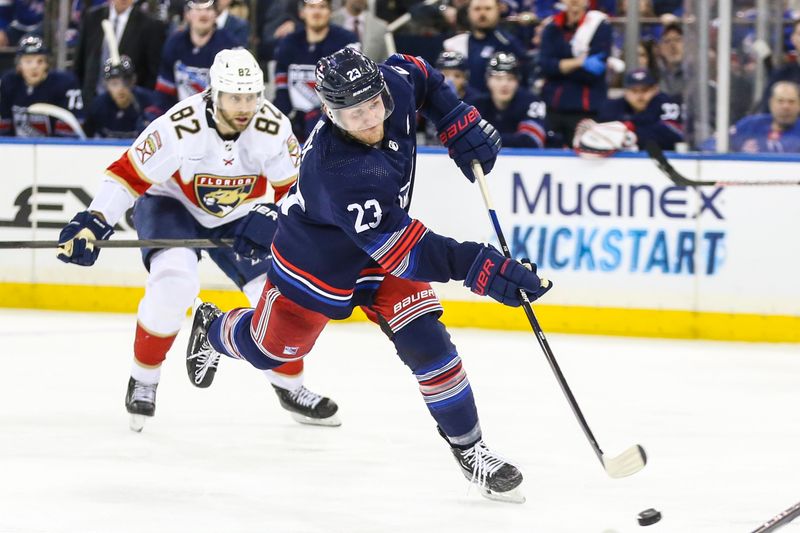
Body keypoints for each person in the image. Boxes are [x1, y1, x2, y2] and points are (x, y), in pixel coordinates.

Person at [184, 47, 552, 501]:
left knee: (428, 343)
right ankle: (215, 328)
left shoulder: (391, 85)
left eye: (374, 105)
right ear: (330, 112)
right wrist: (480, 267)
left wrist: (454, 116)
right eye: (355, 114)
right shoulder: (339, 170)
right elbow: (409, 253)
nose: (371, 120)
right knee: (270, 351)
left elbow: (419, 71)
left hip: (382, 252)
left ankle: (471, 450)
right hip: (316, 264)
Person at [56, 49, 340, 432]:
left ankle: (291, 388)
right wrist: (93, 221)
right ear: (213, 93)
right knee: (174, 283)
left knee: (280, 299)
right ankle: (144, 378)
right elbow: (128, 174)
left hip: (241, 212)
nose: (244, 107)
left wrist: (272, 220)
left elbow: (294, 193)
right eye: (235, 97)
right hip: (172, 204)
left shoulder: (272, 127)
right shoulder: (179, 125)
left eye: (251, 96)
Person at [273, 0, 358, 142]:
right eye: (311, 7)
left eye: (322, 7)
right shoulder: (288, 43)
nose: (317, 12)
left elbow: (351, 95)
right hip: (296, 126)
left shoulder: (346, 42)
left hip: (336, 127)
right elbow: (282, 94)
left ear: (330, 12)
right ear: (302, 12)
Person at [537, 0, 612, 146]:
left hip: (585, 110)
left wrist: (559, 66)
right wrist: (579, 62)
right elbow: (545, 66)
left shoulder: (599, 25)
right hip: (552, 107)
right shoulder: (552, 26)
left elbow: (592, 72)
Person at [73, 0, 166, 107]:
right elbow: (79, 62)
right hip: (91, 101)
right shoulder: (92, 17)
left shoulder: (150, 25)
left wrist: (139, 102)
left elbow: (153, 72)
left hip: (128, 105)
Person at [155, 0, 240, 107]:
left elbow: (236, 96)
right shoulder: (174, 43)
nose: (203, 14)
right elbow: (164, 93)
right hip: (181, 115)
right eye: (198, 9)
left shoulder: (230, 47)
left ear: (216, 14)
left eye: (208, 9)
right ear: (187, 14)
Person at [0, 35, 85, 137]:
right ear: (19, 65)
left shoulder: (65, 84)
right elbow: (4, 131)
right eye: (28, 61)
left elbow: (69, 135)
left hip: (52, 150)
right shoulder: (8, 83)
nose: (34, 66)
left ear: (47, 64)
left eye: (40, 61)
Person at [442, 0, 528, 94]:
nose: (482, 13)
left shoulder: (507, 43)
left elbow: (522, 81)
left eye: (488, 9)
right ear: (468, 12)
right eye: (477, 9)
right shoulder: (456, 43)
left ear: (498, 11)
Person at [597, 67, 683, 151]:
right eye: (634, 90)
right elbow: (602, 136)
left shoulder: (667, 104)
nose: (640, 96)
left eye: (645, 90)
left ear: (655, 89)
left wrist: (629, 133)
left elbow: (672, 136)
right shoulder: (612, 107)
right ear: (626, 92)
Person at [473, 51, 548, 148]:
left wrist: (483, 140)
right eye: (498, 78)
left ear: (518, 81)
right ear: (487, 81)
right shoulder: (476, 105)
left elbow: (532, 140)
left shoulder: (532, 103)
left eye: (510, 78)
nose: (504, 84)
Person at [84, 55, 163, 138]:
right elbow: (86, 139)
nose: (120, 89)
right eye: (114, 83)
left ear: (133, 81)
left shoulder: (150, 102)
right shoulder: (97, 106)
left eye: (126, 82)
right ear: (106, 84)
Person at [724, 81, 800, 153]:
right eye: (780, 101)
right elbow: (716, 143)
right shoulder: (750, 124)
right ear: (771, 104)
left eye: (791, 101)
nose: (786, 107)